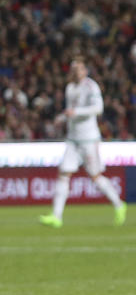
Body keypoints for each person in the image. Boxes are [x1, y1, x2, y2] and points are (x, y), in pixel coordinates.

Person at [39, 57, 127, 228]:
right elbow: (70, 110)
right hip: (73, 139)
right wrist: (61, 118)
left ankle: (119, 204)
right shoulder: (70, 88)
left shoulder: (91, 86)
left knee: (95, 176)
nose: (75, 72)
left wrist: (76, 112)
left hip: (89, 139)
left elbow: (98, 108)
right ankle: (57, 217)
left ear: (84, 71)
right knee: (64, 173)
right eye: (73, 69)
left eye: (78, 68)